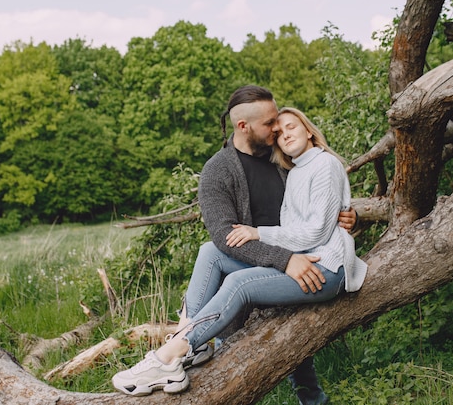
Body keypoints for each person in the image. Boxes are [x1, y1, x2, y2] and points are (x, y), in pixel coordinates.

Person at [111, 86, 365, 402]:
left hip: (302, 261)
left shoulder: (283, 159)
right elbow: (224, 237)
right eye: (271, 123)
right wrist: (285, 259)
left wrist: (349, 216)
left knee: (298, 362)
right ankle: (188, 343)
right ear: (243, 126)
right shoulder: (218, 171)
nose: (277, 130)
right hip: (278, 260)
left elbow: (319, 209)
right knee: (211, 251)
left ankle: (175, 350)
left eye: (282, 123)